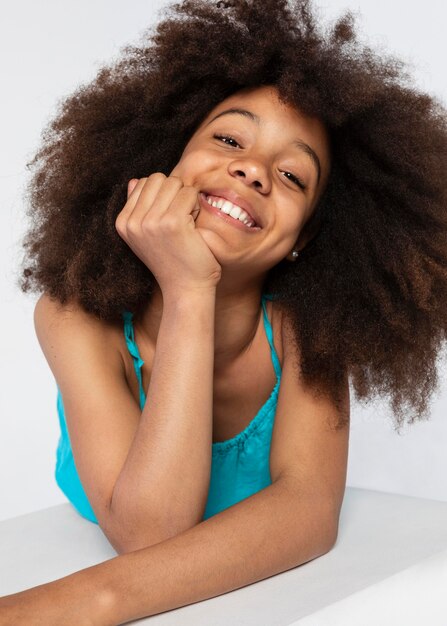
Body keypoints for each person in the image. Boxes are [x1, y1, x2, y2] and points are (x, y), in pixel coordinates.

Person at [2, 0, 446, 623]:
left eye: (292, 176)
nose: (252, 170)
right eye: (229, 139)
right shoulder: (75, 316)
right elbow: (152, 531)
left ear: (304, 242)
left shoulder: (306, 337)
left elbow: (309, 514)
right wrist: (188, 286)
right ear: (167, 159)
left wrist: (83, 599)